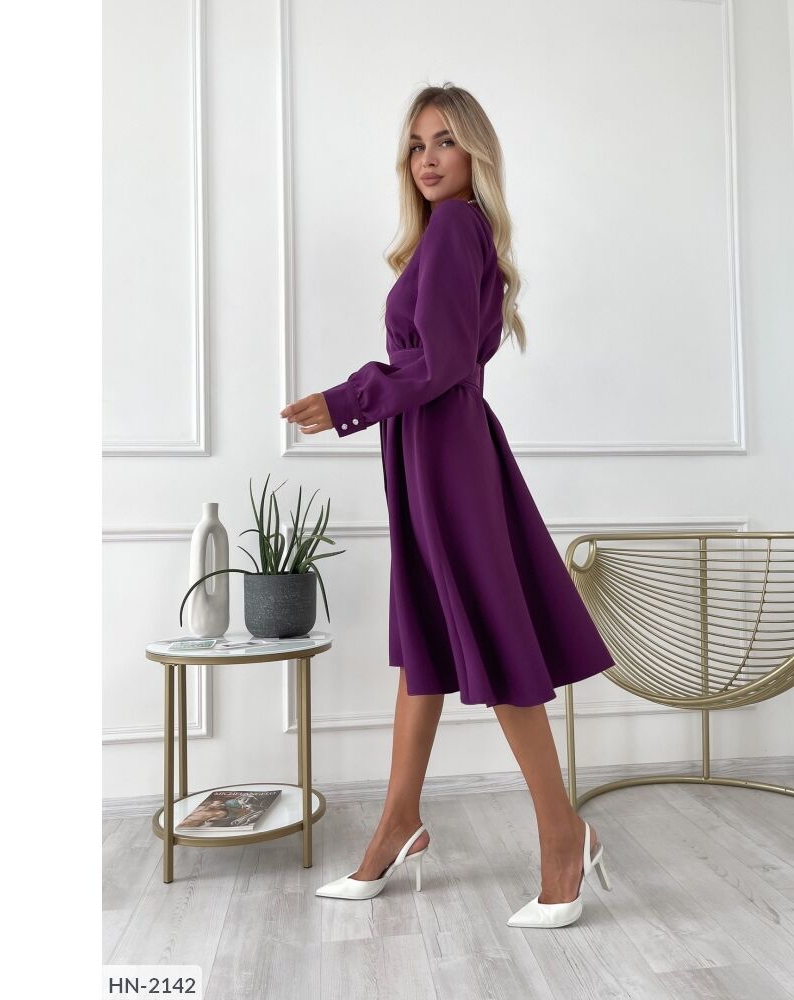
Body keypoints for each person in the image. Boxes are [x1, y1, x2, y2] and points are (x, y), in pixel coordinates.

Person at [280, 84, 614, 929]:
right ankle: (397, 822)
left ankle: (563, 835)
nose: (427, 158)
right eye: (416, 144)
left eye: (445, 141)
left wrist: (347, 397)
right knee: (427, 638)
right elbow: (435, 364)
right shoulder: (443, 236)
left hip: (446, 452)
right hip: (427, 449)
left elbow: (440, 364)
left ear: (475, 154)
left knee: (492, 637)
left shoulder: (457, 227)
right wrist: (367, 403)